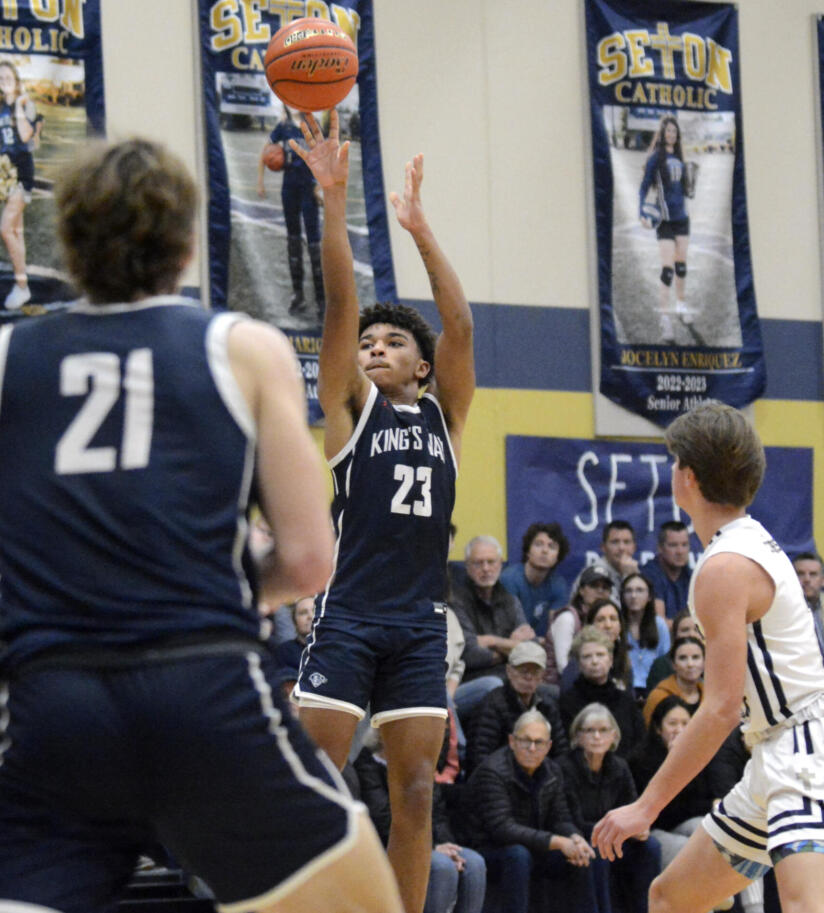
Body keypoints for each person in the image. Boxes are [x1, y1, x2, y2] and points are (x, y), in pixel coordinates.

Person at [0, 138, 402, 913]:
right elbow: (308, 558)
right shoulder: (245, 350)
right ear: (189, 244)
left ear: (70, 243)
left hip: (58, 704)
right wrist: (203, 575)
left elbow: (11, 541)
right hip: (204, 690)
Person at [593, 401, 824, 913]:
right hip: (773, 753)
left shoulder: (725, 567)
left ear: (686, 477)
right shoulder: (743, 542)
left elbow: (719, 710)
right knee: (670, 899)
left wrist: (646, 806)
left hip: (807, 753)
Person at [289, 113, 475, 913]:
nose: (374, 347)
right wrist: (333, 202)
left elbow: (460, 324)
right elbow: (339, 303)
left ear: (423, 366)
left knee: (415, 794)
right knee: (308, 783)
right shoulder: (351, 413)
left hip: (419, 622)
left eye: (393, 342)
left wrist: (422, 230)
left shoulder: (447, 417)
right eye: (370, 344)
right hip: (351, 616)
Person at [463, 711, 597, 913]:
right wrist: (558, 842)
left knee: (580, 855)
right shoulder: (492, 771)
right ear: (512, 741)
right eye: (525, 741)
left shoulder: (552, 771)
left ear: (549, 746)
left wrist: (575, 837)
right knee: (518, 855)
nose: (532, 748)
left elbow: (561, 818)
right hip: (487, 847)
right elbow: (502, 829)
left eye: (539, 742)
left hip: (533, 844)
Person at [352, 730, 487, 913]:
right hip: (388, 845)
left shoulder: (420, 765)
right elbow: (384, 820)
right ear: (383, 735)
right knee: (442, 865)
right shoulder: (367, 767)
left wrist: (445, 845)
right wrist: (431, 847)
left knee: (474, 862)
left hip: (427, 842)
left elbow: (437, 813)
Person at [558, 703, 660, 913]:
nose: (597, 736)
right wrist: (613, 832)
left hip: (614, 838)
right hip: (582, 838)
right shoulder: (564, 767)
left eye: (603, 730)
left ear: (614, 735)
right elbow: (570, 819)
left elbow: (632, 808)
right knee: (600, 852)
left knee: (651, 846)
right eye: (590, 730)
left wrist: (639, 829)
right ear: (578, 736)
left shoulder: (620, 766)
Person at [626, 696, 718, 870]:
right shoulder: (640, 760)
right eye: (672, 723)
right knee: (685, 847)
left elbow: (703, 798)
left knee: (718, 832)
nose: (679, 730)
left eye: (685, 724)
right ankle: (684, 896)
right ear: (658, 728)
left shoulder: (700, 755)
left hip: (686, 823)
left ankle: (738, 898)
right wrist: (671, 761)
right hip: (653, 829)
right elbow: (662, 811)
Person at [449, 535, 533, 719]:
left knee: (549, 692)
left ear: (500, 565)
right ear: (467, 567)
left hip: (510, 675)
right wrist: (510, 646)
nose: (486, 569)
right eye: (478, 563)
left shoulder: (510, 601)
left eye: (491, 562)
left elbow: (530, 649)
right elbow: (470, 654)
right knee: (495, 685)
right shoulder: (456, 601)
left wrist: (491, 641)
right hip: (471, 680)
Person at [257, 106, 325, 317]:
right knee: (293, 240)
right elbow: (265, 151)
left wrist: (320, 185)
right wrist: (260, 181)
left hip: (309, 189)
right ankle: (298, 296)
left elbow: (324, 157)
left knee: (314, 243)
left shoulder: (314, 126)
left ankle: (322, 300)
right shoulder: (283, 127)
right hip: (289, 189)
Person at [466, 640, 568, 776]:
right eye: (523, 671)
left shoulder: (548, 705)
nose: (529, 677)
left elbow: (561, 752)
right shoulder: (492, 704)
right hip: (499, 779)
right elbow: (479, 757)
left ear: (542, 677)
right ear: (509, 671)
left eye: (535, 672)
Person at [0, 59, 43, 311]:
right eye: (0, 78)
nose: (4, 82)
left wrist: (20, 107)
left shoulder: (25, 103)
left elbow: (24, 137)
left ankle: (22, 286)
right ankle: (21, 284)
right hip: (7, 171)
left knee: (5, 228)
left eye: (8, 77)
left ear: (16, 78)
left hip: (23, 169)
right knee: (16, 232)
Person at [638, 114, 694, 343]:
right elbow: (643, 187)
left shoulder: (680, 157)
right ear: (662, 134)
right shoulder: (655, 158)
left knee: (681, 267)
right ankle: (665, 319)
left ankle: (681, 306)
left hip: (682, 219)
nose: (671, 134)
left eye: (674, 131)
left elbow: (682, 190)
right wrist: (640, 211)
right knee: (667, 270)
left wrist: (689, 188)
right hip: (664, 220)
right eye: (668, 131)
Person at [560, 626, 645, 756]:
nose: (594, 661)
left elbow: (639, 743)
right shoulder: (567, 702)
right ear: (579, 664)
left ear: (610, 660)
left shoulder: (626, 701)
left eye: (600, 655)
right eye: (587, 656)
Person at [499, 522, 570, 638]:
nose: (545, 551)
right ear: (528, 551)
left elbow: (556, 629)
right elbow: (510, 627)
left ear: (558, 557)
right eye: (538, 544)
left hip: (539, 645)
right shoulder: (509, 579)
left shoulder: (558, 584)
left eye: (552, 547)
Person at [549, 564, 615, 677]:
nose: (600, 591)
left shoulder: (608, 620)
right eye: (594, 586)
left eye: (605, 587)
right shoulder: (567, 618)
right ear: (581, 590)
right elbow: (564, 667)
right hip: (557, 685)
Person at [622, 571, 671, 694]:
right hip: (625, 689)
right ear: (622, 596)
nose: (633, 596)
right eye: (628, 591)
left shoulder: (659, 624)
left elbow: (665, 663)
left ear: (649, 596)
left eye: (639, 590)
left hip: (654, 689)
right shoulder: (616, 624)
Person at [642, 636, 705, 727]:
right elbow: (648, 736)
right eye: (683, 658)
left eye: (695, 657)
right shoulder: (658, 697)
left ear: (704, 663)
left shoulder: (710, 698)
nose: (690, 664)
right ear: (673, 664)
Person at [641, 520, 692, 619]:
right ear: (660, 548)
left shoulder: (691, 576)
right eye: (673, 545)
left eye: (684, 545)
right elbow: (660, 624)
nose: (680, 551)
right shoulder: (649, 574)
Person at [646, 609, 700, 690]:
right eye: (685, 630)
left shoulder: (714, 665)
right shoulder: (661, 666)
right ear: (675, 635)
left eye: (697, 630)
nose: (691, 634)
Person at [593, 520, 639, 594]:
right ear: (603, 548)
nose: (621, 548)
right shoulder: (595, 574)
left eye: (626, 542)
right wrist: (628, 577)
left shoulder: (635, 570)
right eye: (615, 542)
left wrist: (634, 576)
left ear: (634, 548)